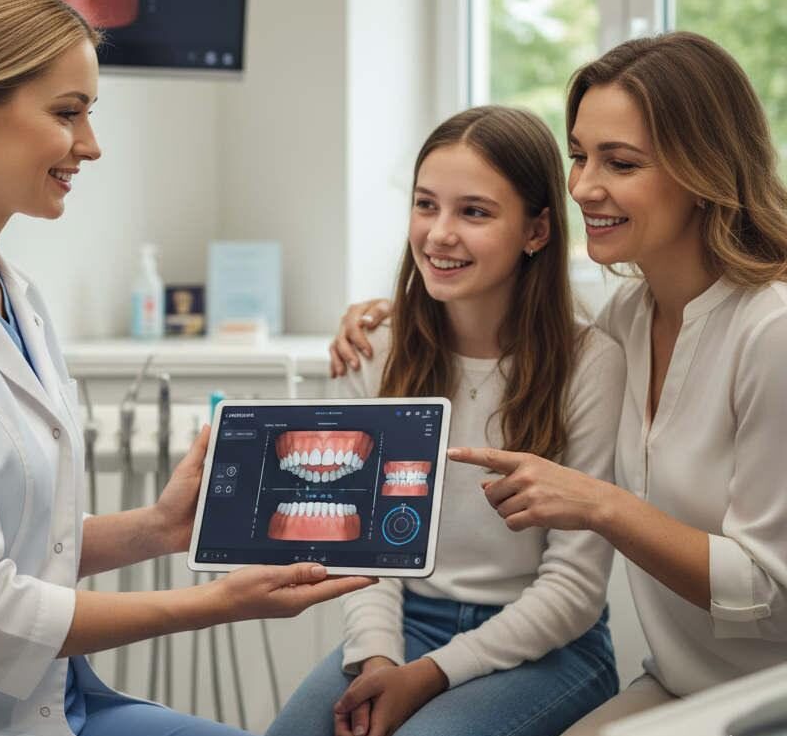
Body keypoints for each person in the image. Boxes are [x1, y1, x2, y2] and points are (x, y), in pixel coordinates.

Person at [0, 0, 372, 736]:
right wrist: (214, 603)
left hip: (41, 703)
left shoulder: (9, 293)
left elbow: (20, 542)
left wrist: (156, 527)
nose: (90, 145)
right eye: (68, 113)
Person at [330, 33, 787, 735]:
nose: (581, 186)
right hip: (680, 683)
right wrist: (396, 313)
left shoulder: (771, 331)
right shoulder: (627, 318)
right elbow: (514, 306)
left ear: (705, 170)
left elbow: (771, 592)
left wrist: (603, 506)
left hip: (768, 693)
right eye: (579, 155)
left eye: (620, 162)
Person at [267, 106, 626, 736]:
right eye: (426, 205)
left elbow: (573, 588)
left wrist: (428, 675)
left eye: (474, 212)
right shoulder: (374, 351)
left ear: (537, 229)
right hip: (405, 624)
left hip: (551, 646)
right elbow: (365, 555)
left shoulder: (591, 364)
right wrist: (380, 659)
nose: (439, 234)